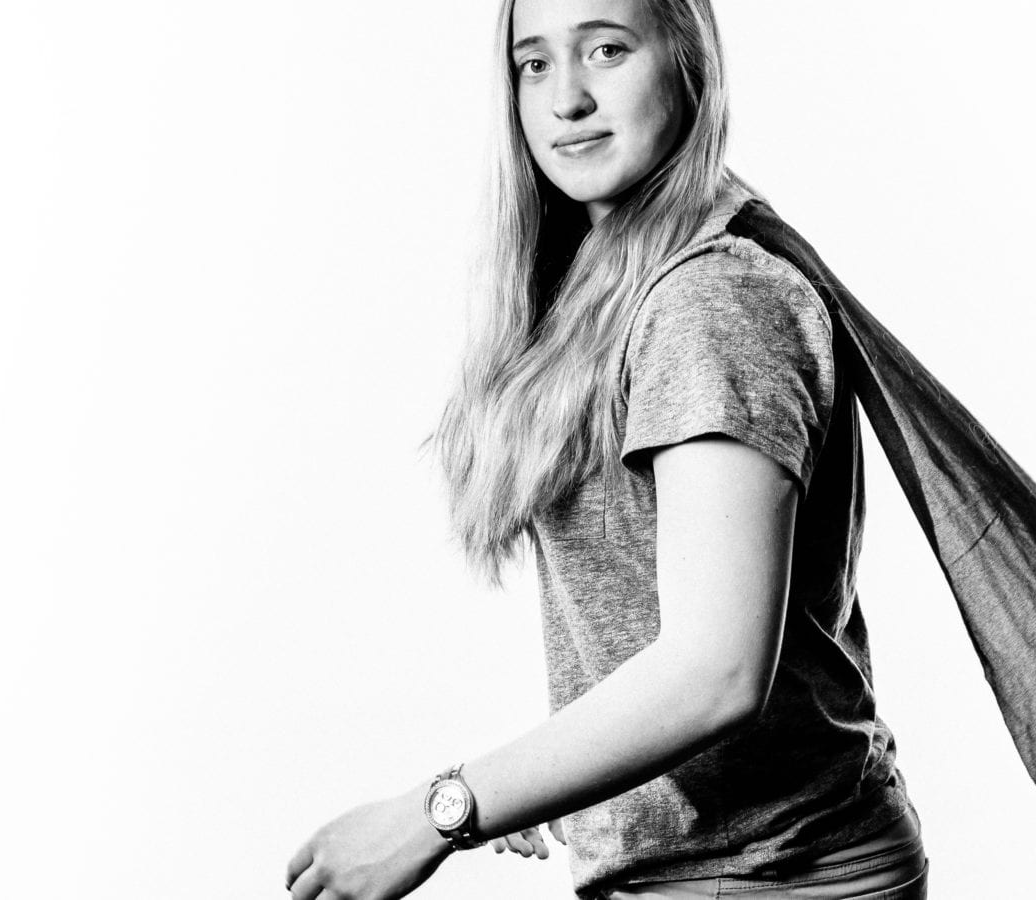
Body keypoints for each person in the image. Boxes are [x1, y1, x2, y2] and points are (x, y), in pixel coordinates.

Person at [284, 1, 928, 898]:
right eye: (534, 63)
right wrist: (556, 784)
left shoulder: (710, 300)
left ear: (689, 63)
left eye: (607, 49)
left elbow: (716, 671)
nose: (567, 98)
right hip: (715, 867)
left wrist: (442, 810)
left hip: (766, 875)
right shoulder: (616, 279)